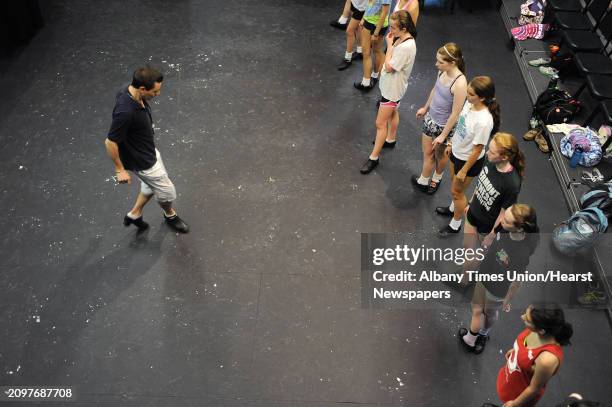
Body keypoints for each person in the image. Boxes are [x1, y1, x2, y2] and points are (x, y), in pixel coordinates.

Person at [105, 67, 189, 234]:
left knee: (151, 185)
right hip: (143, 161)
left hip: (147, 150)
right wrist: (119, 169)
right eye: (155, 92)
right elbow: (110, 141)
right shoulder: (126, 111)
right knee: (167, 193)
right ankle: (170, 215)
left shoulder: (128, 90)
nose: (157, 95)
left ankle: (134, 214)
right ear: (142, 89)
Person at [458, 204, 540, 354]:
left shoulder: (521, 253)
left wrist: (508, 299)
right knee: (477, 308)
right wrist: (488, 239)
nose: (502, 222)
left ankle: (481, 335)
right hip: (485, 274)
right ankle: (473, 336)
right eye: (505, 217)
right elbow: (494, 236)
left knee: (489, 313)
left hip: (498, 288)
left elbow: (516, 281)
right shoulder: (504, 227)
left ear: (520, 228)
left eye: (507, 221)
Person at [435, 76, 500, 236]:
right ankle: (452, 208)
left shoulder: (484, 121)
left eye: (471, 94)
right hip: (456, 152)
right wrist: (450, 143)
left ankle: (455, 223)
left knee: (458, 193)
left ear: (482, 97)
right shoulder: (469, 104)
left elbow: (478, 150)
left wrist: (464, 170)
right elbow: (460, 124)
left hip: (468, 161)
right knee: (454, 188)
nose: (467, 96)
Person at [360, 10, 417, 174]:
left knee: (379, 124)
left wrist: (390, 47)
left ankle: (374, 158)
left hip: (392, 91)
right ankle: (390, 139)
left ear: (404, 28)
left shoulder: (405, 47)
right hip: (394, 90)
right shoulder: (404, 39)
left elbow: (390, 66)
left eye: (393, 27)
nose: (390, 30)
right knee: (393, 112)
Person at [412, 43, 467, 194]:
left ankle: (436, 178)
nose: (436, 64)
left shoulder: (460, 83)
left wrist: (443, 136)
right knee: (427, 153)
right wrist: (425, 107)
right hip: (431, 119)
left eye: (441, 62)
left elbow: (456, 114)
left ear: (453, 63)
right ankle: (423, 181)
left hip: (444, 127)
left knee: (440, 156)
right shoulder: (442, 71)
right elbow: (435, 89)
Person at [497, 304, 572, 406]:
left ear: (541, 330)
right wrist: (516, 351)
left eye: (527, 320)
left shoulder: (547, 359)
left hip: (519, 395)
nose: (522, 317)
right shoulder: (535, 330)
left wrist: (515, 404)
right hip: (511, 379)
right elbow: (525, 348)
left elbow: (534, 388)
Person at [354, 0, 391, 92]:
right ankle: (374, 77)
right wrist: (363, 18)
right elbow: (370, 3)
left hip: (373, 25)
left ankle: (366, 83)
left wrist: (375, 33)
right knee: (377, 51)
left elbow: (384, 12)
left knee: (367, 53)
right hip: (374, 23)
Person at [337, 0, 367, 71]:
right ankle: (360, 52)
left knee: (349, 31)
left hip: (362, 7)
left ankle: (348, 58)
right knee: (358, 29)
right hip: (357, 4)